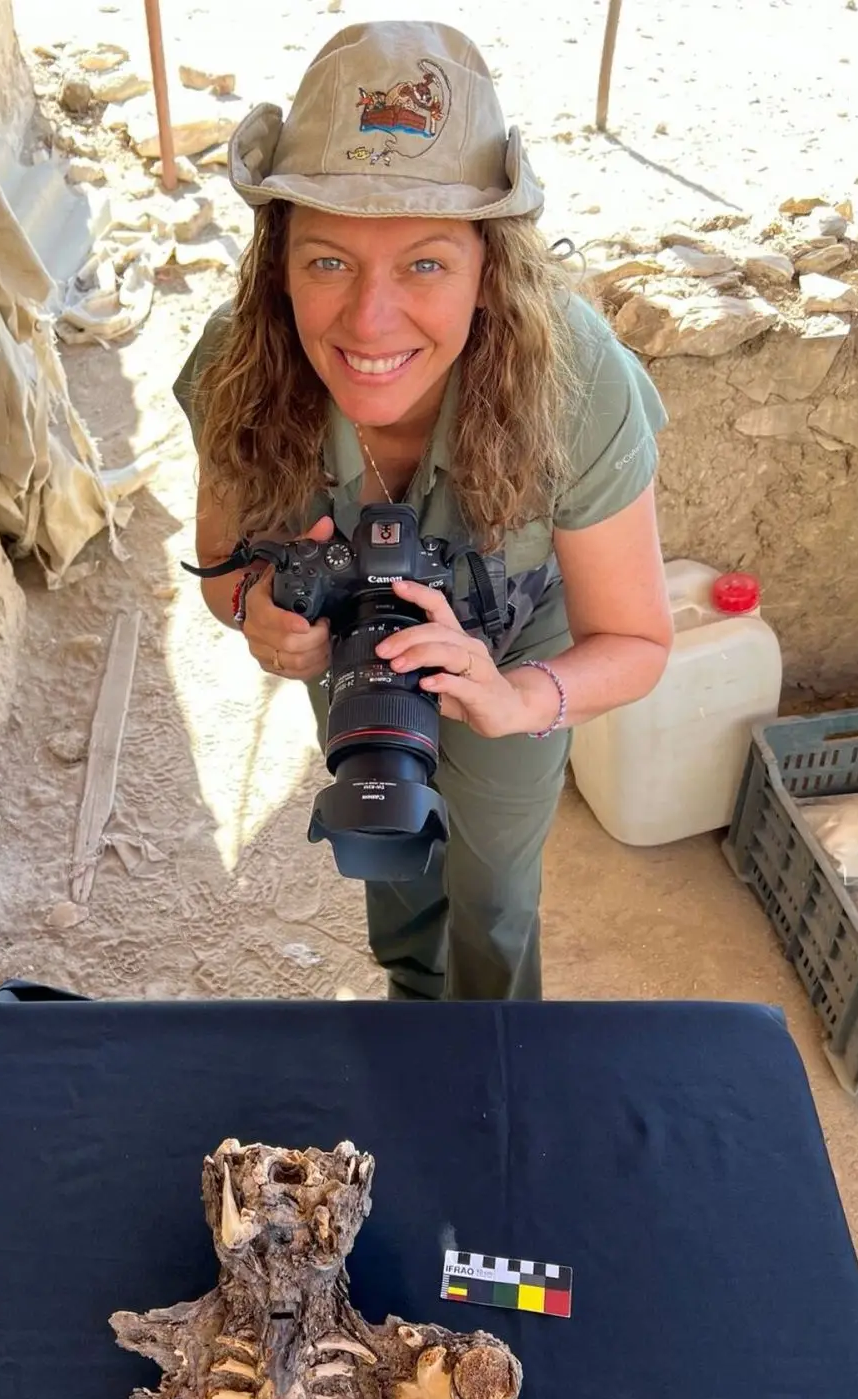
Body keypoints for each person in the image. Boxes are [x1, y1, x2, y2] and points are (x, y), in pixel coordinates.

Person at [173, 20, 673, 1001]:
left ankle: (492, 1044)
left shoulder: (572, 383)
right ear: (277, 263)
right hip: (351, 647)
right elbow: (223, 567)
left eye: (425, 264)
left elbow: (636, 640)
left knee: (493, 889)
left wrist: (516, 700)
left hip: (513, 651)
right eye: (327, 262)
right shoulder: (239, 364)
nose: (369, 322)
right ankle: (411, 1006)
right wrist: (260, 615)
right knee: (386, 830)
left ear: (491, 268)